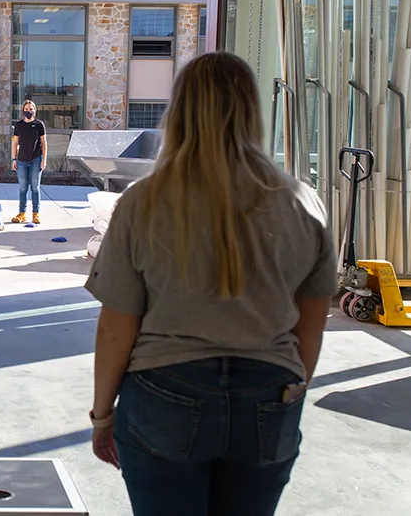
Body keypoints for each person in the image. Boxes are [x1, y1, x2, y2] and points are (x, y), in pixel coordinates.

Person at [85, 52, 336, 515]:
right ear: (252, 111)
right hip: (269, 392)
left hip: (165, 392)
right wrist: (288, 393)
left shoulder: (143, 203)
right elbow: (312, 329)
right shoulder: (304, 204)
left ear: (179, 113)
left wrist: (103, 416)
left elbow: (117, 327)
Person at [10, 99, 47, 224]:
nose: (29, 111)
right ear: (23, 111)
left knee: (35, 188)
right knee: (22, 188)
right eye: (26, 109)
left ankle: (35, 214)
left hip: (36, 160)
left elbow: (44, 143)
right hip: (21, 161)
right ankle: (22, 213)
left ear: (35, 111)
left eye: (31, 109)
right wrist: (14, 159)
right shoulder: (19, 125)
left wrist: (44, 160)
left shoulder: (39, 125)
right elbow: (15, 143)